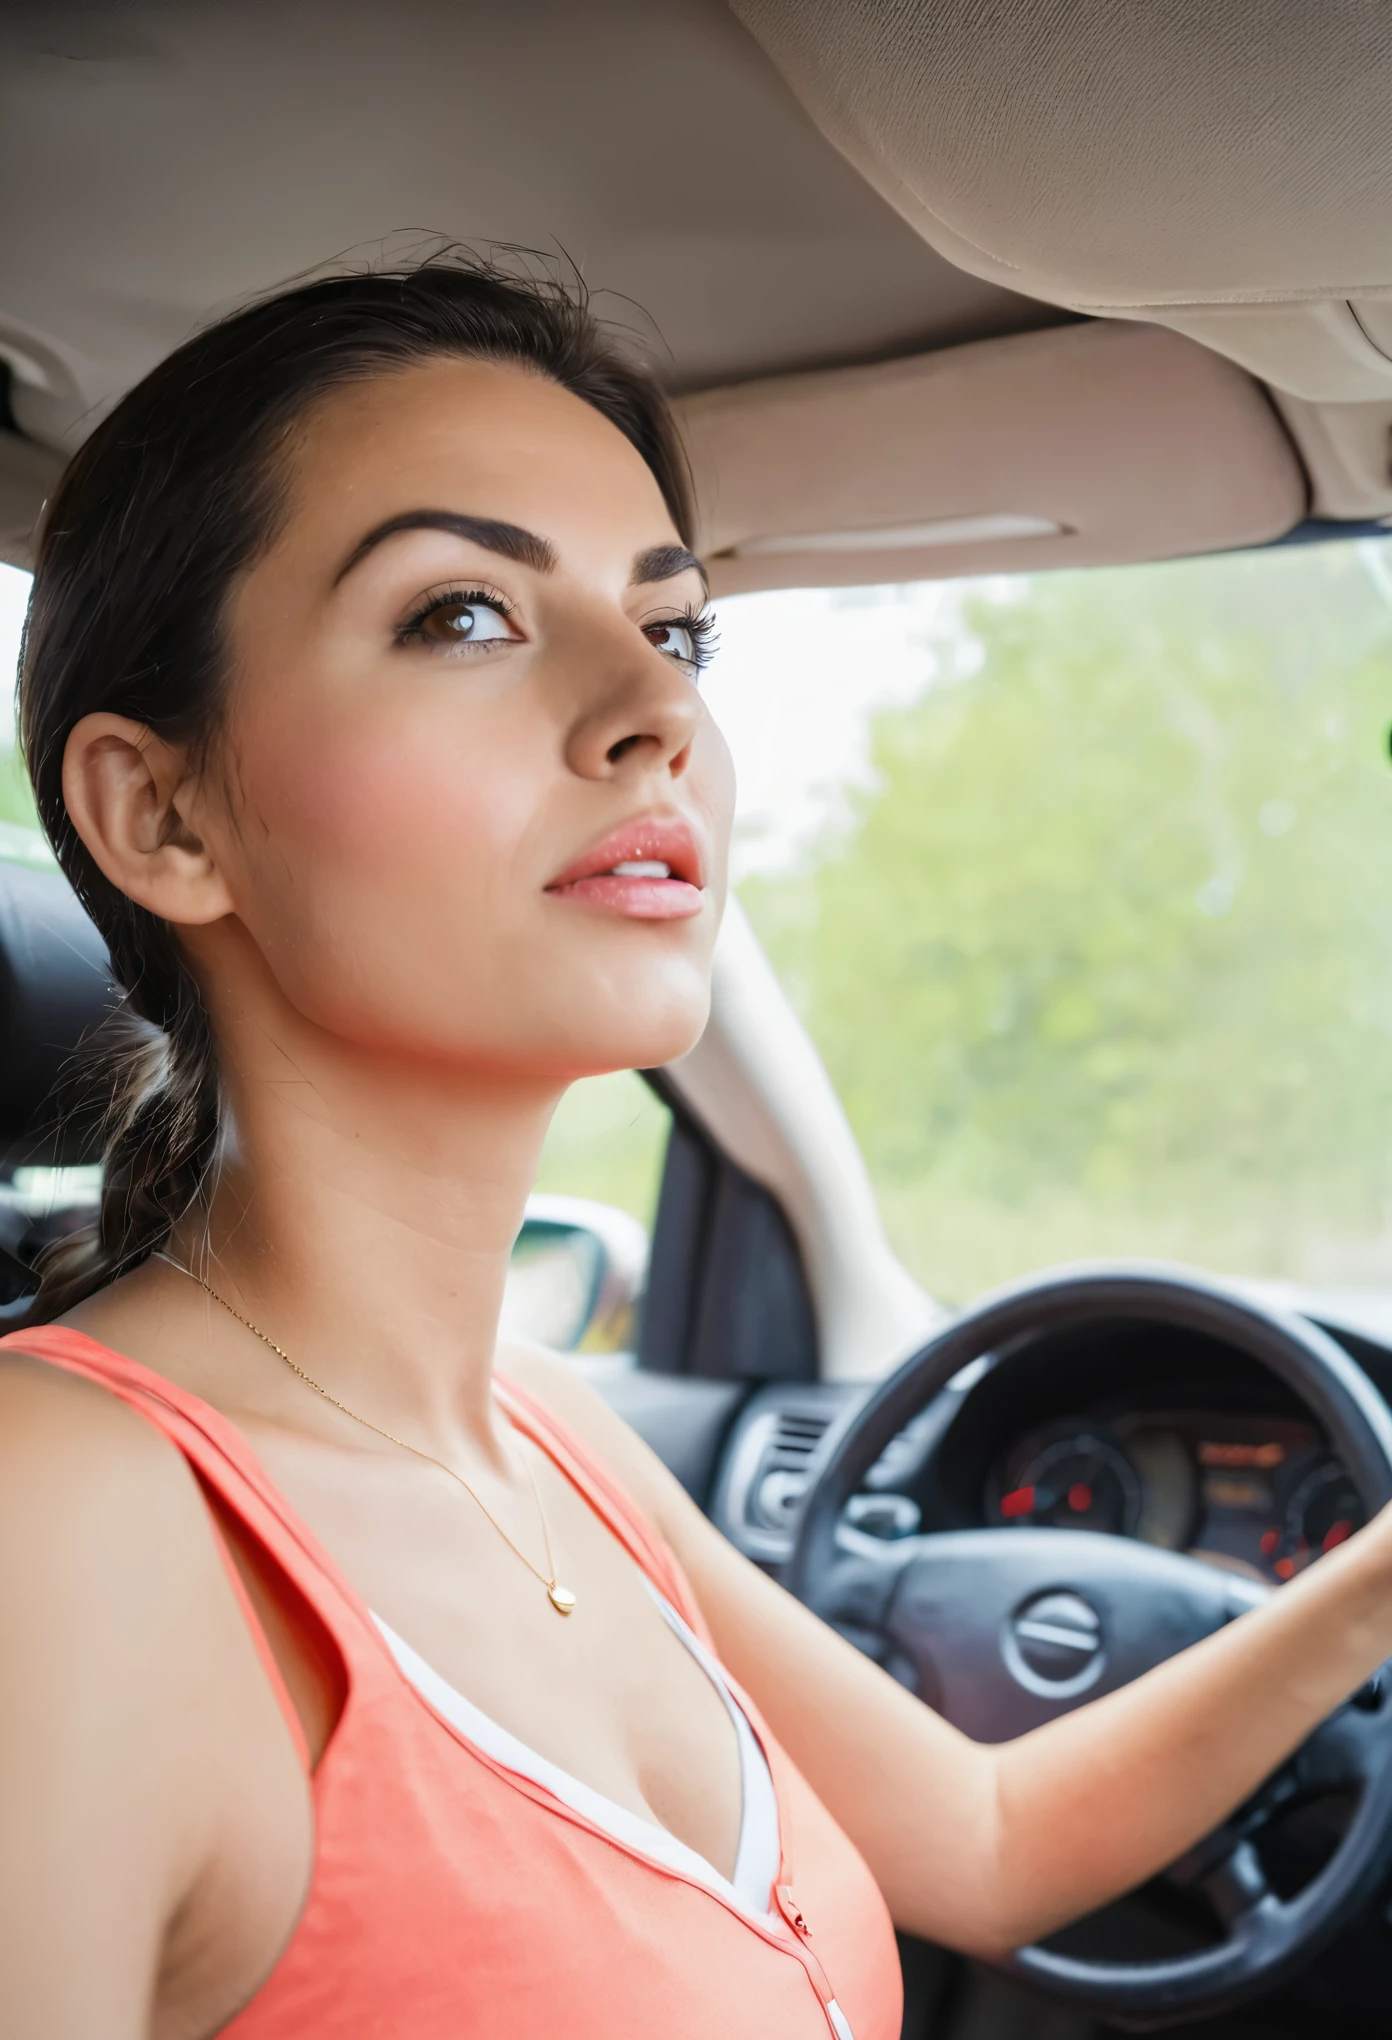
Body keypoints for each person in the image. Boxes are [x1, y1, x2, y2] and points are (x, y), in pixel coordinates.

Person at [4, 253, 1392, 2040]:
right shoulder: (67, 1520)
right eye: (465, 615)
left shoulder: (557, 1440)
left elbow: (982, 1836)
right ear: (162, 814)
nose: (656, 710)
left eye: (675, 630)